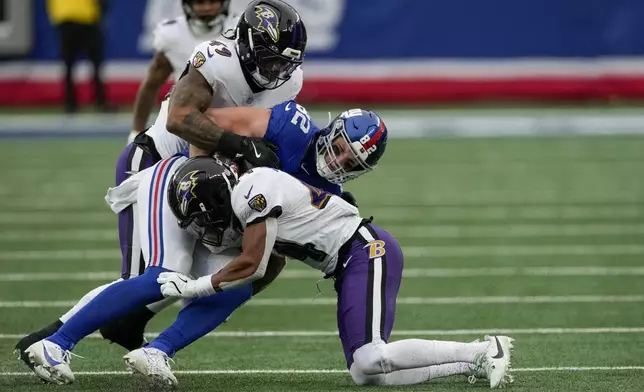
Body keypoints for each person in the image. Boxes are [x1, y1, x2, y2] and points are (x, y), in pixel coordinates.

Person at [14, 0, 306, 375]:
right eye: (270, 60)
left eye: (285, 62)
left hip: (209, 176)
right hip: (159, 162)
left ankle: (119, 328)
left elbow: (273, 133)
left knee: (238, 268)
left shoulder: (288, 81)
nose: (278, 71)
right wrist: (238, 144)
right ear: (247, 46)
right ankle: (53, 338)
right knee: (145, 277)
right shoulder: (216, 59)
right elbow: (180, 119)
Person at [21, 105, 390, 386]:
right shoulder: (291, 127)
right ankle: (54, 344)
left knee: (237, 286)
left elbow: (269, 253)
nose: (338, 160)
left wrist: (232, 278)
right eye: (341, 148)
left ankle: (156, 352)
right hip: (181, 187)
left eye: (351, 161)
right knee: (163, 274)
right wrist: (206, 173)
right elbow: (203, 120)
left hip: (221, 222)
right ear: (332, 130)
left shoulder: (329, 195)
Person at [130, 0, 234, 142]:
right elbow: (151, 86)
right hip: (188, 124)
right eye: (200, 2)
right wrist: (136, 130)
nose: (207, 8)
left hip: (233, 118)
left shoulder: (238, 29)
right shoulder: (172, 35)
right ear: (188, 5)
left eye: (213, 1)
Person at [46, 0, 112, 113]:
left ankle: (72, 103)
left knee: (73, 64)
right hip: (82, 17)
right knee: (86, 63)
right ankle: (97, 101)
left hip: (72, 17)